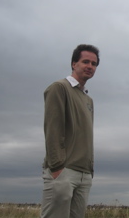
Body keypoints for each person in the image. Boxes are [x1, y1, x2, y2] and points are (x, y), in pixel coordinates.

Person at [41, 44, 100, 218]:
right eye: (85, 61)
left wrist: (89, 170)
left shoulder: (88, 99)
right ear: (74, 64)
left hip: (84, 174)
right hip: (64, 171)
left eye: (94, 64)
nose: (90, 66)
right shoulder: (59, 88)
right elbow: (53, 129)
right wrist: (57, 169)